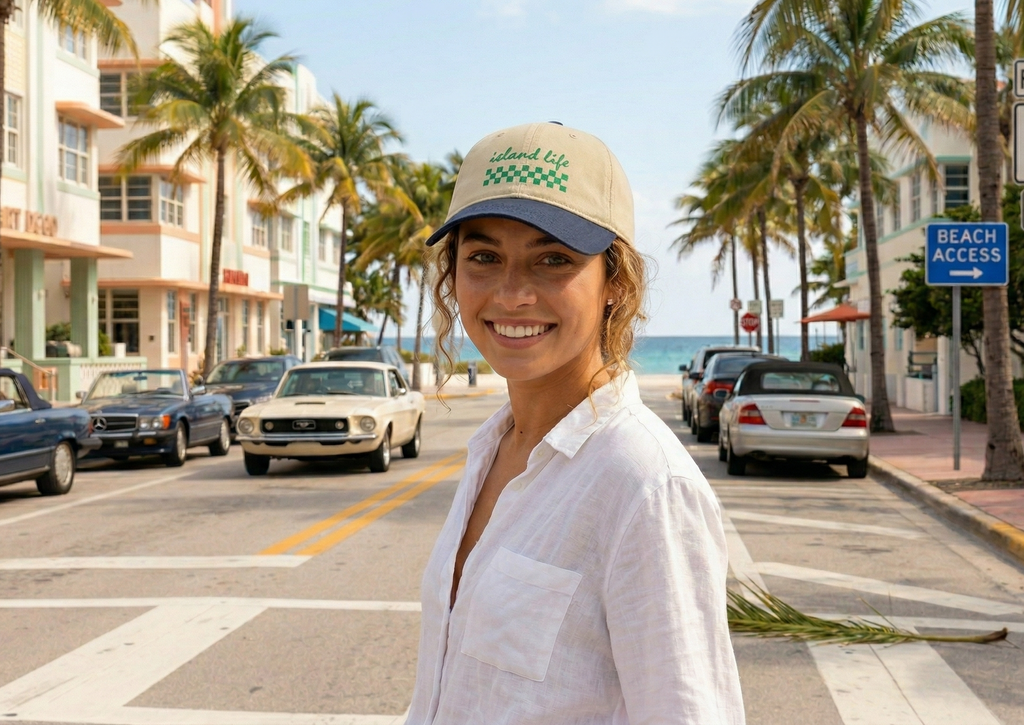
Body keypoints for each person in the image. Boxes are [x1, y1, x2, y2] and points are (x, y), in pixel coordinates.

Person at [406, 122, 744, 724]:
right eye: (484, 257)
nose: (511, 295)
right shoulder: (494, 449)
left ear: (615, 282)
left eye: (553, 260)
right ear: (452, 275)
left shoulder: (642, 484)